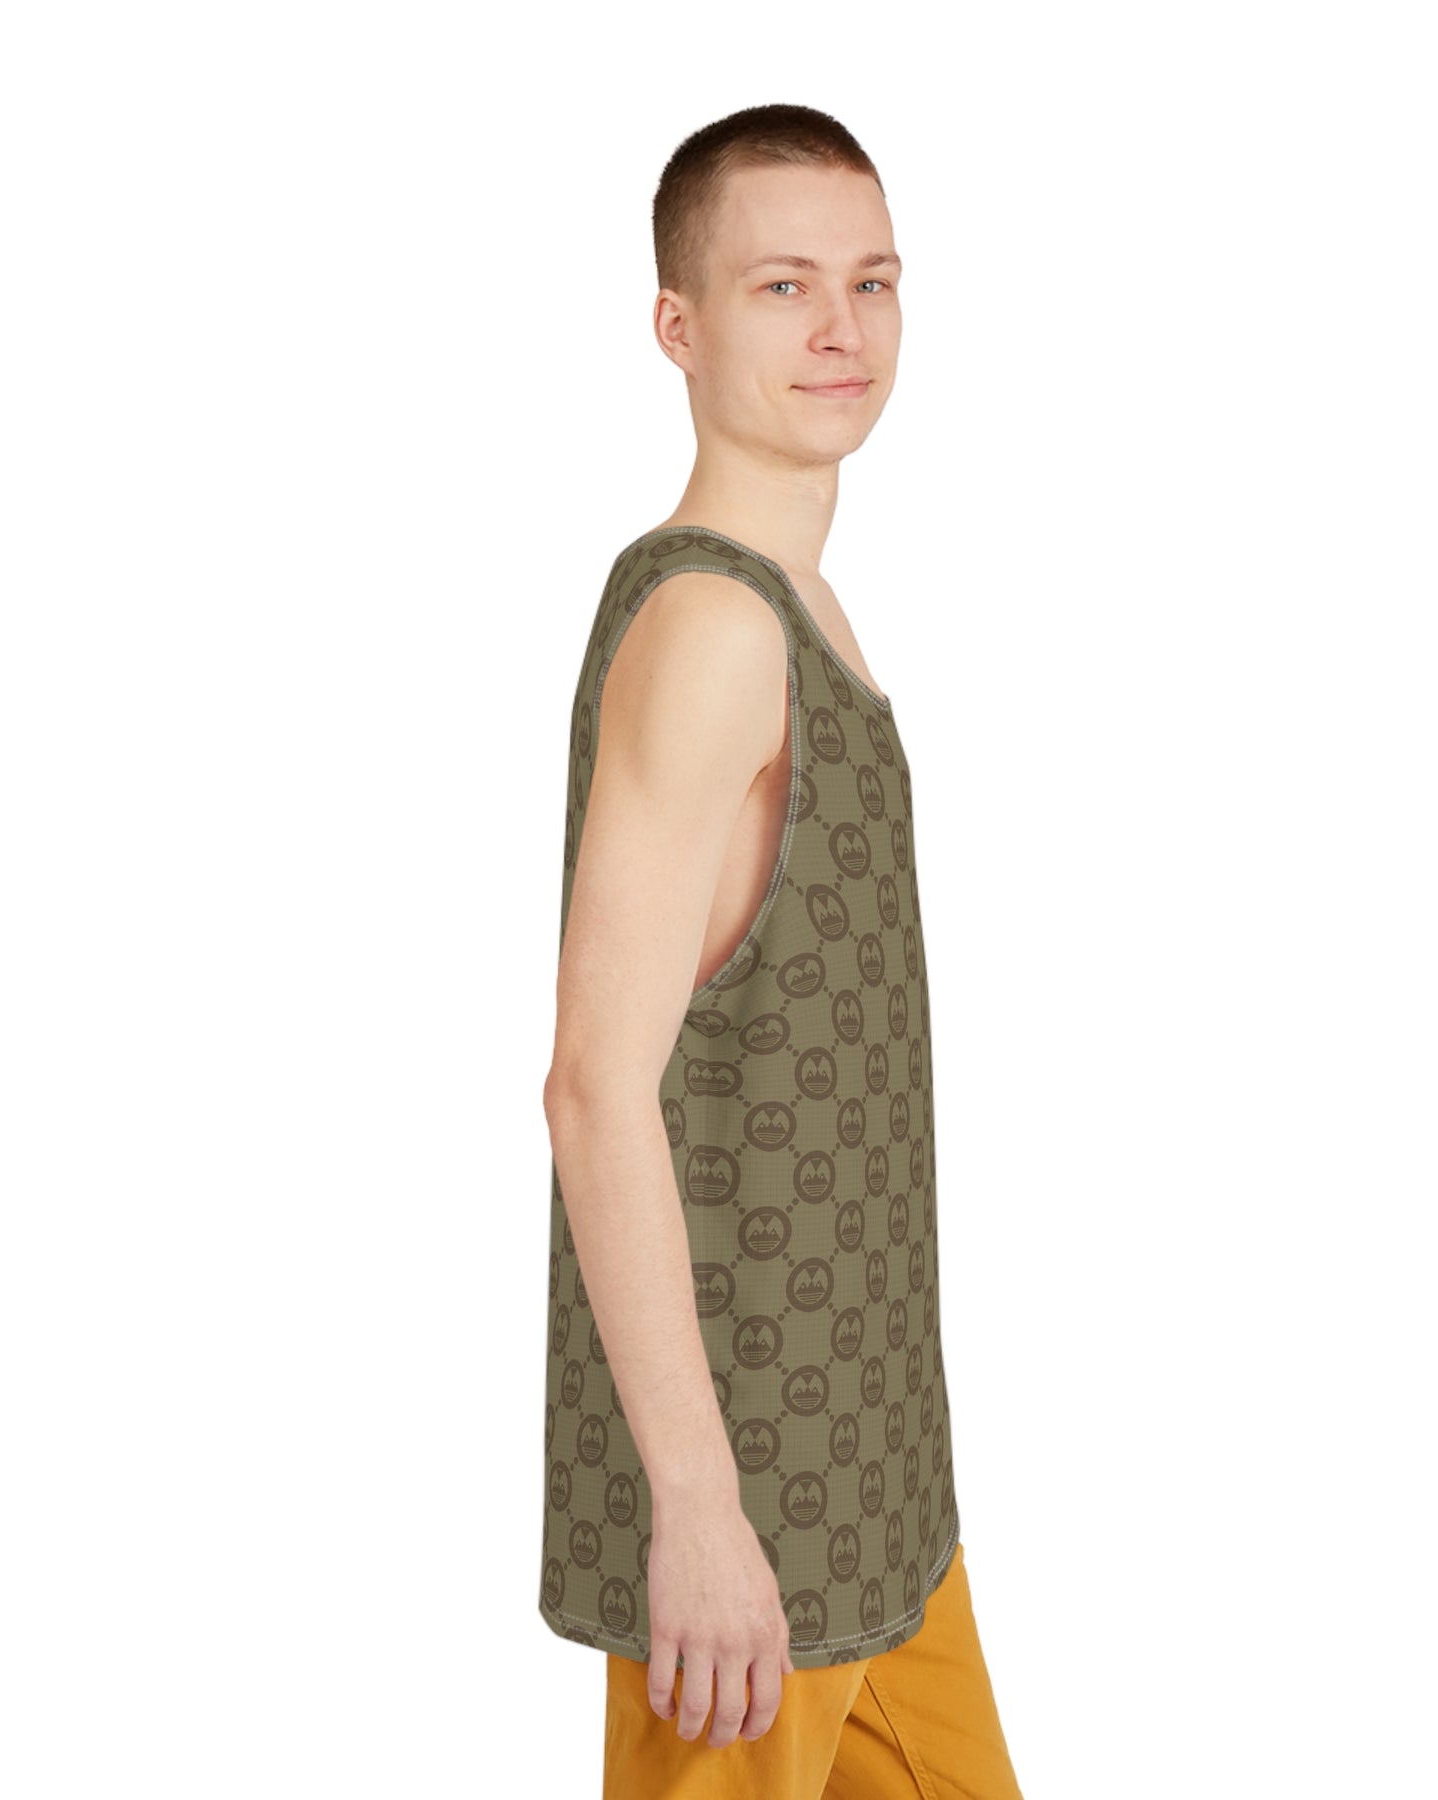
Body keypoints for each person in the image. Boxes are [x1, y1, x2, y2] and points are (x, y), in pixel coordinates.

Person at [538, 103, 1024, 1798]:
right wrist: (694, 1508)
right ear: (677, 326)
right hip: (751, 1521)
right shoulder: (714, 630)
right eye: (782, 286)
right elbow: (594, 1087)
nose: (842, 328)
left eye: (872, 281)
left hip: (878, 1482)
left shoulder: (798, 600)